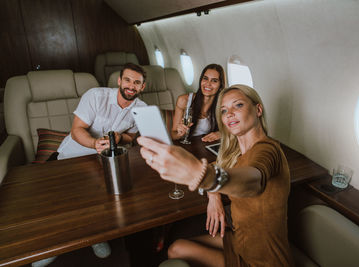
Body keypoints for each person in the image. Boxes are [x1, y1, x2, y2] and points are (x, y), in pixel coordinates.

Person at [137, 84, 294, 267]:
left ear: (258, 109)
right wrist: (214, 196)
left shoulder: (268, 150)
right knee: (175, 248)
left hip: (263, 261)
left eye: (238, 105)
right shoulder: (238, 152)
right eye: (224, 110)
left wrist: (202, 176)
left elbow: (252, 181)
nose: (229, 114)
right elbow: (218, 166)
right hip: (241, 241)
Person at [33, 63, 147, 267]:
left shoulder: (142, 109)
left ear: (142, 87)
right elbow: (77, 130)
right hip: (71, 156)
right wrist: (94, 143)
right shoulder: (95, 96)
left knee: (106, 202)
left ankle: (96, 237)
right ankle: (53, 243)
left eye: (137, 83)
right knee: (61, 205)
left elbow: (131, 136)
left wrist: (122, 137)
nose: (131, 86)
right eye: (128, 80)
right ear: (119, 81)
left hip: (106, 161)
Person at [171, 64, 225, 142]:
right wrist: (179, 133)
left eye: (214, 81)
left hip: (206, 145)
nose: (208, 84)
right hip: (187, 146)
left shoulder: (222, 103)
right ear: (201, 80)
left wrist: (220, 134)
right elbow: (173, 135)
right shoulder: (184, 100)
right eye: (205, 79)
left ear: (220, 85)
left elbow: (233, 129)